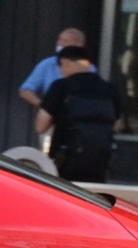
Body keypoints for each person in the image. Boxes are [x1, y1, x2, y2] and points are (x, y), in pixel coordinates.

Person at [36, 45, 123, 182]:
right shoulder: (110, 89)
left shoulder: (60, 87)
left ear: (65, 62)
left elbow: (41, 126)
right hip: (99, 162)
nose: (61, 71)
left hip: (64, 161)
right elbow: (116, 126)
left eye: (60, 67)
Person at [16, 26, 87, 109]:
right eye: (59, 40)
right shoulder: (48, 64)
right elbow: (25, 90)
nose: (61, 44)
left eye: (66, 41)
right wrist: (45, 107)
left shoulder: (88, 68)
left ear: (80, 46)